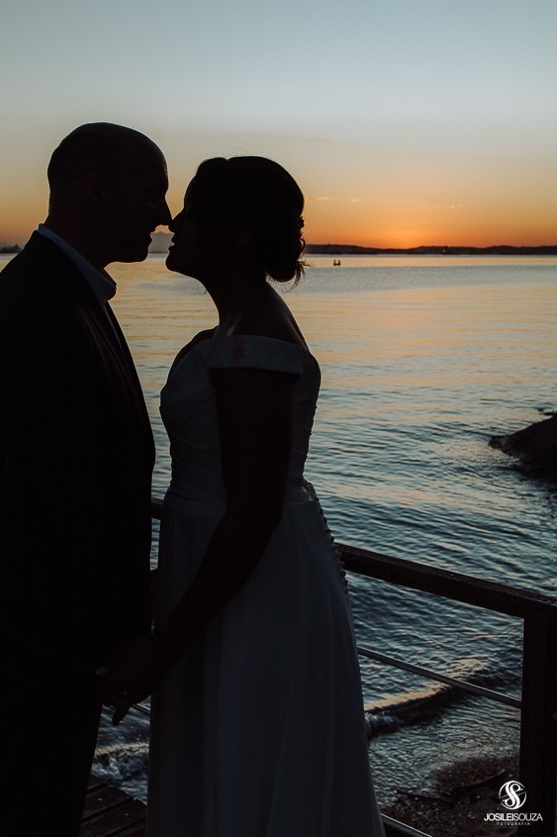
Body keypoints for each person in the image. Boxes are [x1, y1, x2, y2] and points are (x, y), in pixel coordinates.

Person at [102, 156, 384, 836]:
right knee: (232, 760)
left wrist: (160, 646)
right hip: (229, 572)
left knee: (249, 760)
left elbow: (253, 512)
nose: (175, 221)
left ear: (240, 236)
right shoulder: (240, 330)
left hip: (253, 588)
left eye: (193, 210)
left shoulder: (253, 345)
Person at [0, 122, 170, 837]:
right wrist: (119, 641)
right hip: (42, 639)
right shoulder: (45, 306)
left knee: (36, 810)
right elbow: (56, 507)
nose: (163, 213)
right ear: (93, 189)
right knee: (33, 817)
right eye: (151, 192)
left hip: (46, 633)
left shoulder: (61, 291)